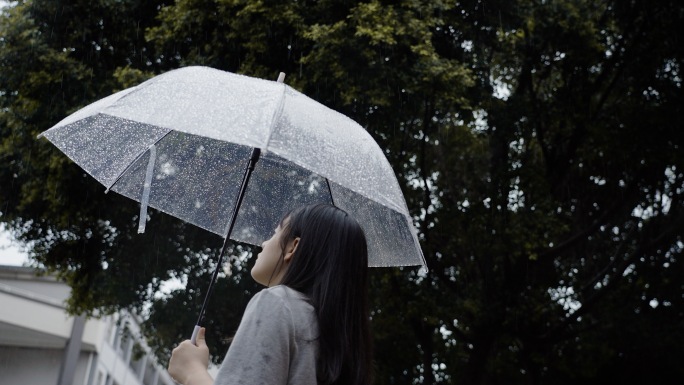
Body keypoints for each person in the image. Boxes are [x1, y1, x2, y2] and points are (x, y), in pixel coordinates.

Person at [168, 203, 372, 385]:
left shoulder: (278, 303)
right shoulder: (341, 341)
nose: (264, 244)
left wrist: (192, 372)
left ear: (293, 246)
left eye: (275, 233)